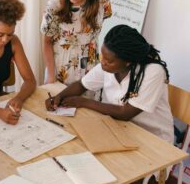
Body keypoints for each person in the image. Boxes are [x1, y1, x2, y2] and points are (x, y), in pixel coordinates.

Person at [45, 24, 174, 144]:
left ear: (128, 62)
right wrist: (59, 97)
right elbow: (82, 85)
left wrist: (83, 102)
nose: (103, 62)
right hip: (119, 129)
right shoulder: (108, 66)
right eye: (102, 56)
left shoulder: (152, 72)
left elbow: (125, 113)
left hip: (153, 140)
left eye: (109, 60)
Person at [41, 0, 112, 86]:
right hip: (62, 67)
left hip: (90, 66)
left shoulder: (102, 0)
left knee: (87, 104)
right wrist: (51, 77)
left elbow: (96, 27)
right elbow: (47, 42)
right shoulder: (55, 6)